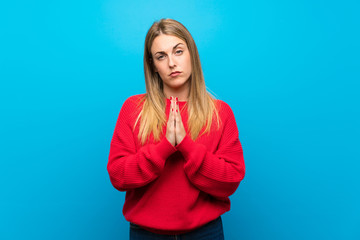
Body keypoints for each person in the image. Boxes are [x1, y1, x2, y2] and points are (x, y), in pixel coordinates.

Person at [107, 18, 245, 240]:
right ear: (153, 64)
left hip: (205, 233)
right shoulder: (133, 109)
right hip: (146, 234)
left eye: (178, 51)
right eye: (161, 56)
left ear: (191, 53)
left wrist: (186, 145)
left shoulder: (220, 113)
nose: (172, 63)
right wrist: (164, 148)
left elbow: (230, 181)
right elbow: (118, 176)